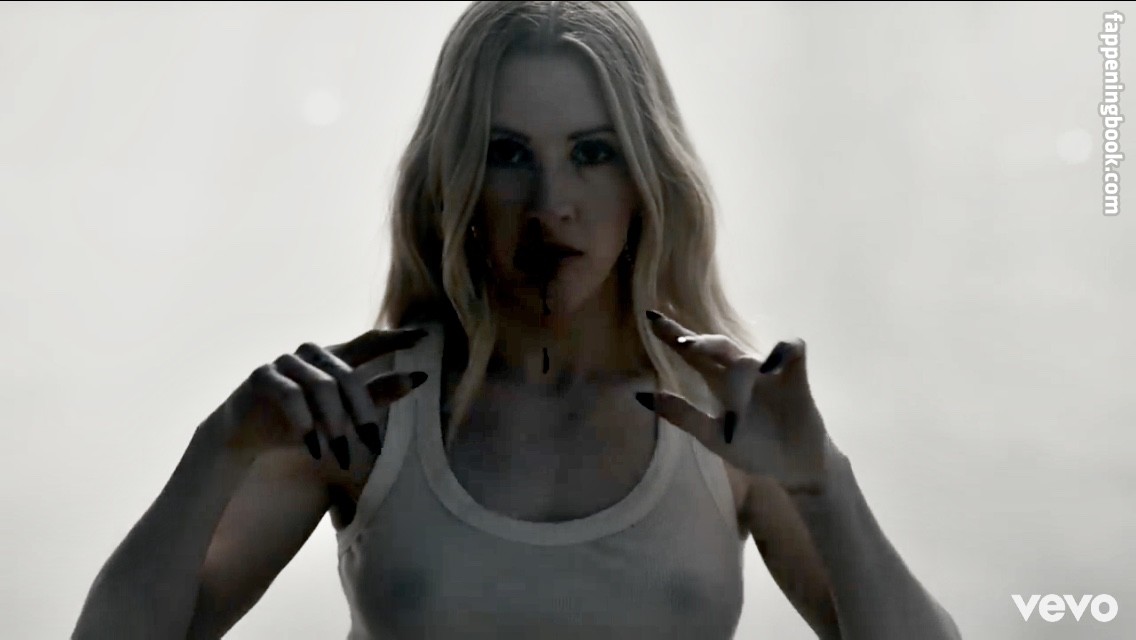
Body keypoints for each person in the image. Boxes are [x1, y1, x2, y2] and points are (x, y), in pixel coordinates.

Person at [72, 2, 962, 639]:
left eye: (592, 152)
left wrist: (820, 483)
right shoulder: (369, 411)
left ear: (647, 174)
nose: (549, 203)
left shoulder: (726, 423)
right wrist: (220, 446)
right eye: (506, 154)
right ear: (453, 179)